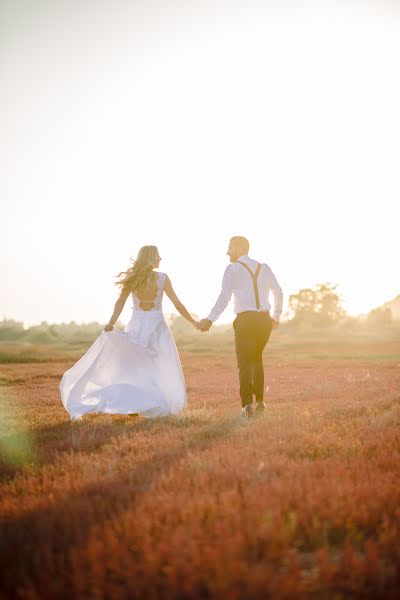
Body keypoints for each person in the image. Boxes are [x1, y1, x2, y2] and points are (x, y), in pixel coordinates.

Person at [60, 245, 198, 420]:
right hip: (157, 327)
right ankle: (141, 402)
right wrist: (193, 322)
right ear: (151, 258)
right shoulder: (163, 278)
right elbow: (177, 304)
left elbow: (120, 302)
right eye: (158, 256)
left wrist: (112, 322)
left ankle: (136, 403)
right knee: (157, 366)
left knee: (136, 367)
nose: (160, 259)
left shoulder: (134, 278)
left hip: (138, 325)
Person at [198, 236, 283, 418]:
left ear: (239, 248)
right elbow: (278, 291)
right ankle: (260, 402)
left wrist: (210, 319)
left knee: (244, 363)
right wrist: (275, 316)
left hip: (246, 320)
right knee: (257, 360)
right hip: (264, 320)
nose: (227, 252)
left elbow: (224, 297)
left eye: (229, 248)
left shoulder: (233, 269)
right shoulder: (264, 267)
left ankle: (246, 406)